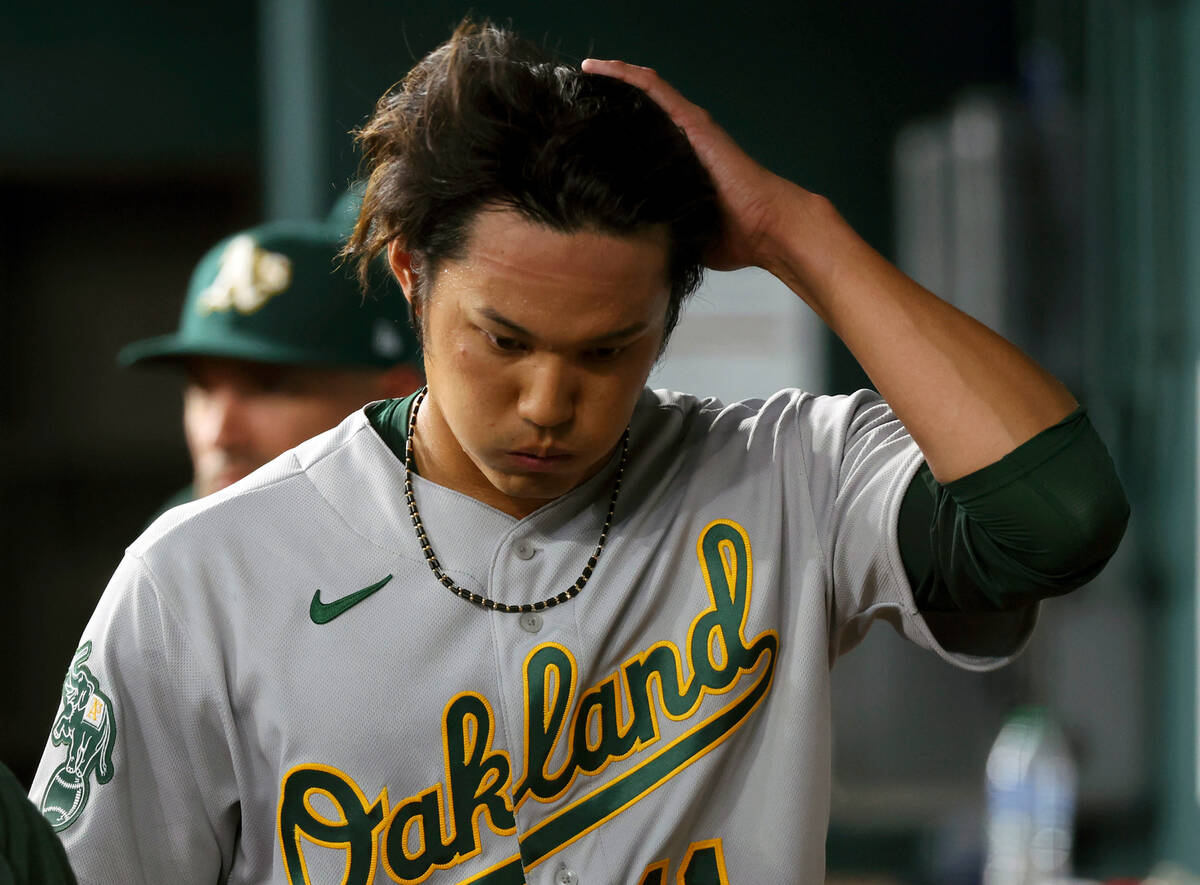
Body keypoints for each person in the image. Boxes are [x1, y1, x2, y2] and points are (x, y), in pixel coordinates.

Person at [33, 21, 1128, 884]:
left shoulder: (790, 471)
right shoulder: (201, 577)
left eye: (610, 349)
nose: (550, 402)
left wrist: (798, 233)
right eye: (502, 341)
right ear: (411, 274)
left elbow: (1057, 518)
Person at [118, 216, 423, 504]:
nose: (218, 435)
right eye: (203, 389)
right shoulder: (166, 549)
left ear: (394, 400)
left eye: (268, 387)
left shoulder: (452, 536)